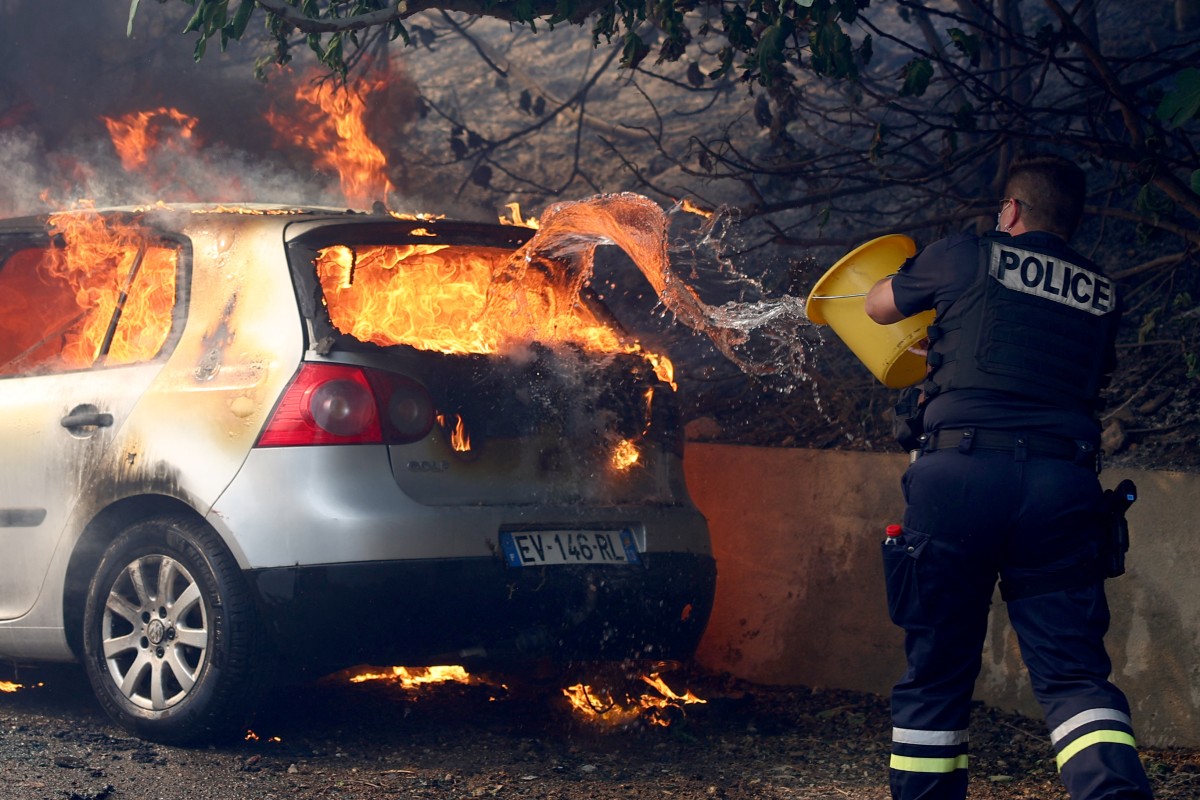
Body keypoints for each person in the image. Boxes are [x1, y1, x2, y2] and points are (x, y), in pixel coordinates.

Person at [863, 154, 1154, 800]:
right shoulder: (1103, 292)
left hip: (959, 481)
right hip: (1060, 489)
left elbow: (876, 306)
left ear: (1012, 211)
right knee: (1076, 676)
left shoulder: (968, 253)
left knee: (938, 668)